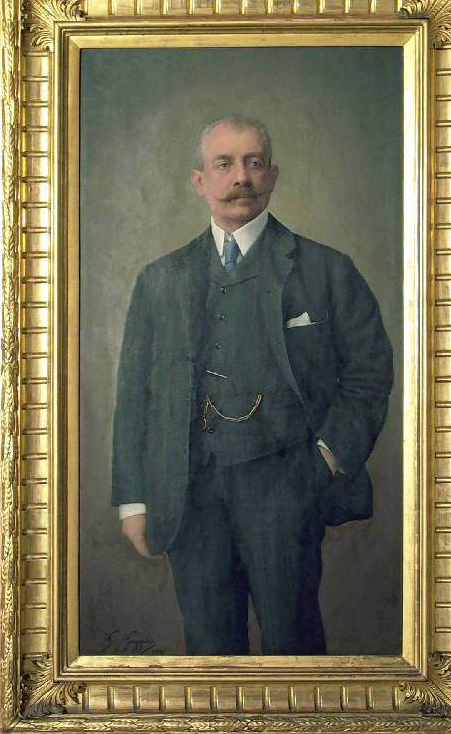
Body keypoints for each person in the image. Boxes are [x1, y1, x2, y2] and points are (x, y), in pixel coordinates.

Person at [111, 116, 393, 655]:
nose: (241, 176)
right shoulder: (159, 281)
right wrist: (133, 501)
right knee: (209, 656)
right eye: (225, 164)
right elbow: (134, 396)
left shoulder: (328, 270)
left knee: (295, 651)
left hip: (288, 493)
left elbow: (370, 374)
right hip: (189, 497)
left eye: (254, 162)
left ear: (273, 175)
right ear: (200, 181)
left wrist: (327, 459)